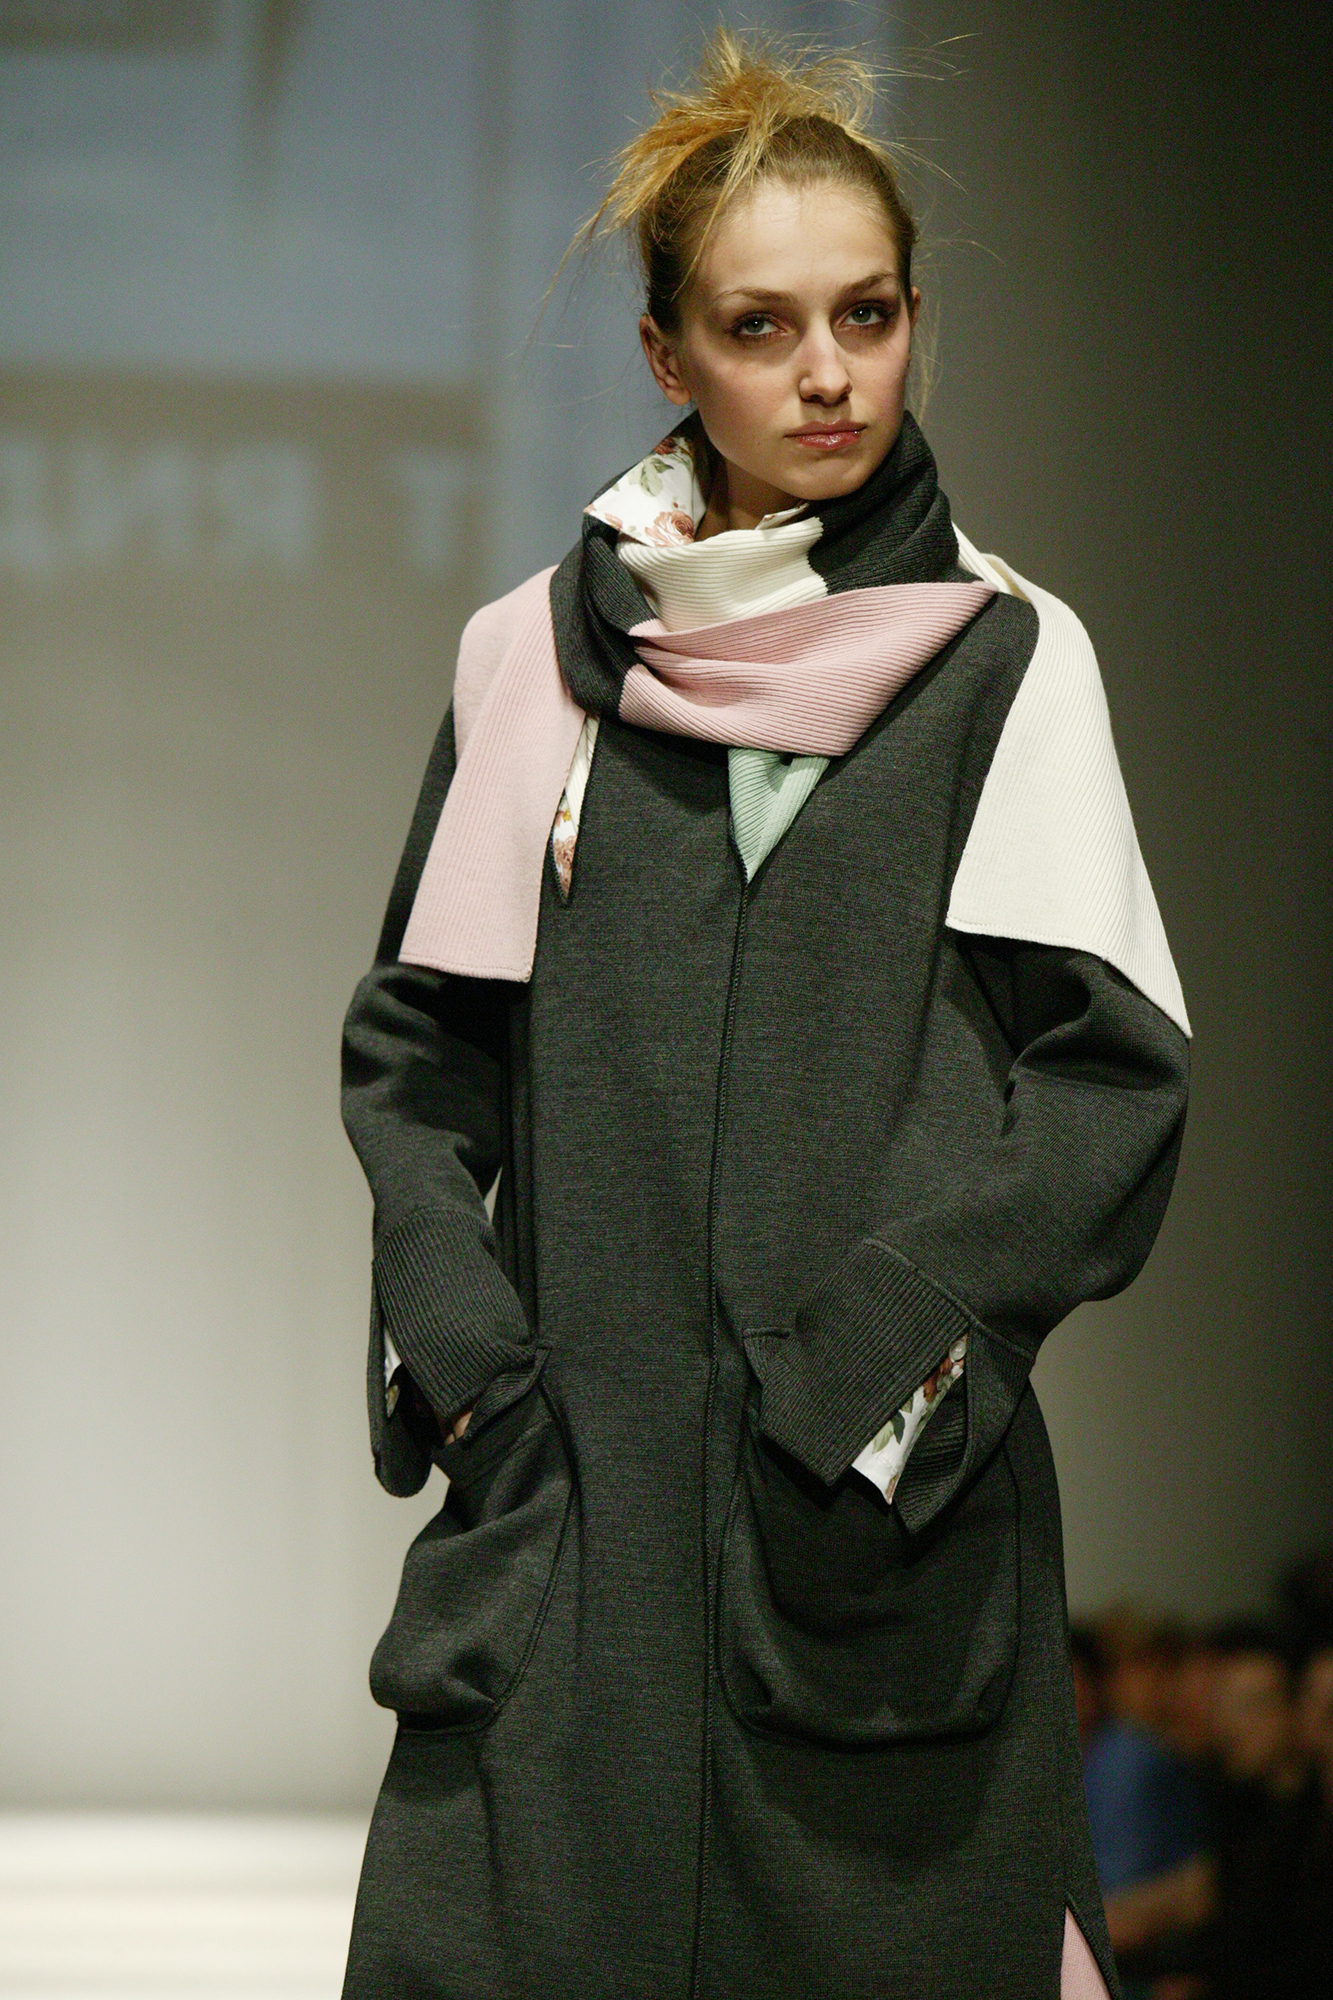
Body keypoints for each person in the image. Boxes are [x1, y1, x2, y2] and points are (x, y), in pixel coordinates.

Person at [338, 31, 1190, 2000]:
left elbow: (1110, 1085)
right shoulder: (528, 662)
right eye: (761, 325)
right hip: (568, 1537)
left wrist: (867, 1386)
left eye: (867, 315)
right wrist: (471, 1367)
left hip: (866, 1540)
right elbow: (420, 1055)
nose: (827, 373)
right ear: (667, 354)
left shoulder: (1005, 661)